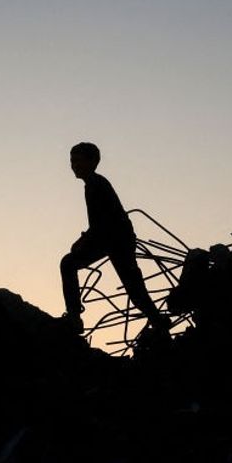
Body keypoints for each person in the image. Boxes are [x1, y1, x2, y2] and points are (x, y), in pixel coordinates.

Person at [60, 142, 170, 338]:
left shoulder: (96, 184)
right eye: (71, 161)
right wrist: (86, 239)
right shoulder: (93, 184)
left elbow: (102, 223)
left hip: (116, 239)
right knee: (133, 286)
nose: (73, 165)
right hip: (112, 239)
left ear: (92, 161)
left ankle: (75, 318)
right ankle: (157, 320)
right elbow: (99, 223)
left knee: (69, 264)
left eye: (77, 160)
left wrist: (83, 242)